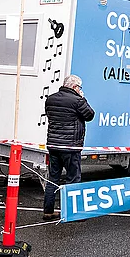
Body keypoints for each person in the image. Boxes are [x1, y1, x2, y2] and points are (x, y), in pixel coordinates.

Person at [43, 74, 95, 221]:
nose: (80, 90)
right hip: (70, 146)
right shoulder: (78, 101)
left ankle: (48, 211)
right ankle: (73, 213)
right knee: (73, 179)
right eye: (79, 87)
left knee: (53, 178)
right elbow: (90, 115)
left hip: (53, 145)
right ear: (74, 87)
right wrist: (83, 98)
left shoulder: (50, 99)